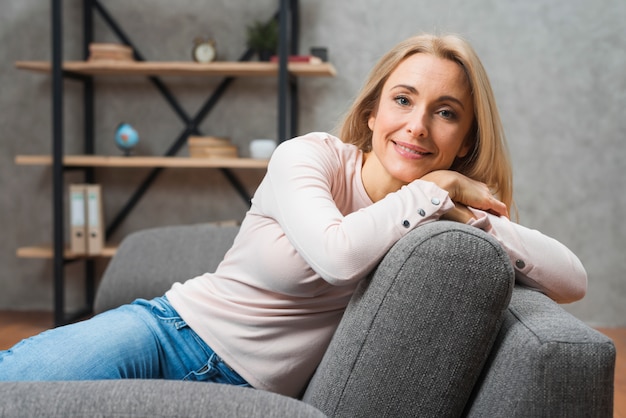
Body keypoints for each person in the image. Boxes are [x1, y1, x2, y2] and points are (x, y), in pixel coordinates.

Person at [0, 33, 587, 397]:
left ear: (464, 140)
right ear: (373, 113)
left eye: (446, 112)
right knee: (13, 386)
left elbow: (572, 280)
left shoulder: (434, 214)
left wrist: (462, 210)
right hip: (168, 332)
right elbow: (337, 255)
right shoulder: (307, 157)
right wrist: (433, 189)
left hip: (256, 390)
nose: (417, 126)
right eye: (403, 100)